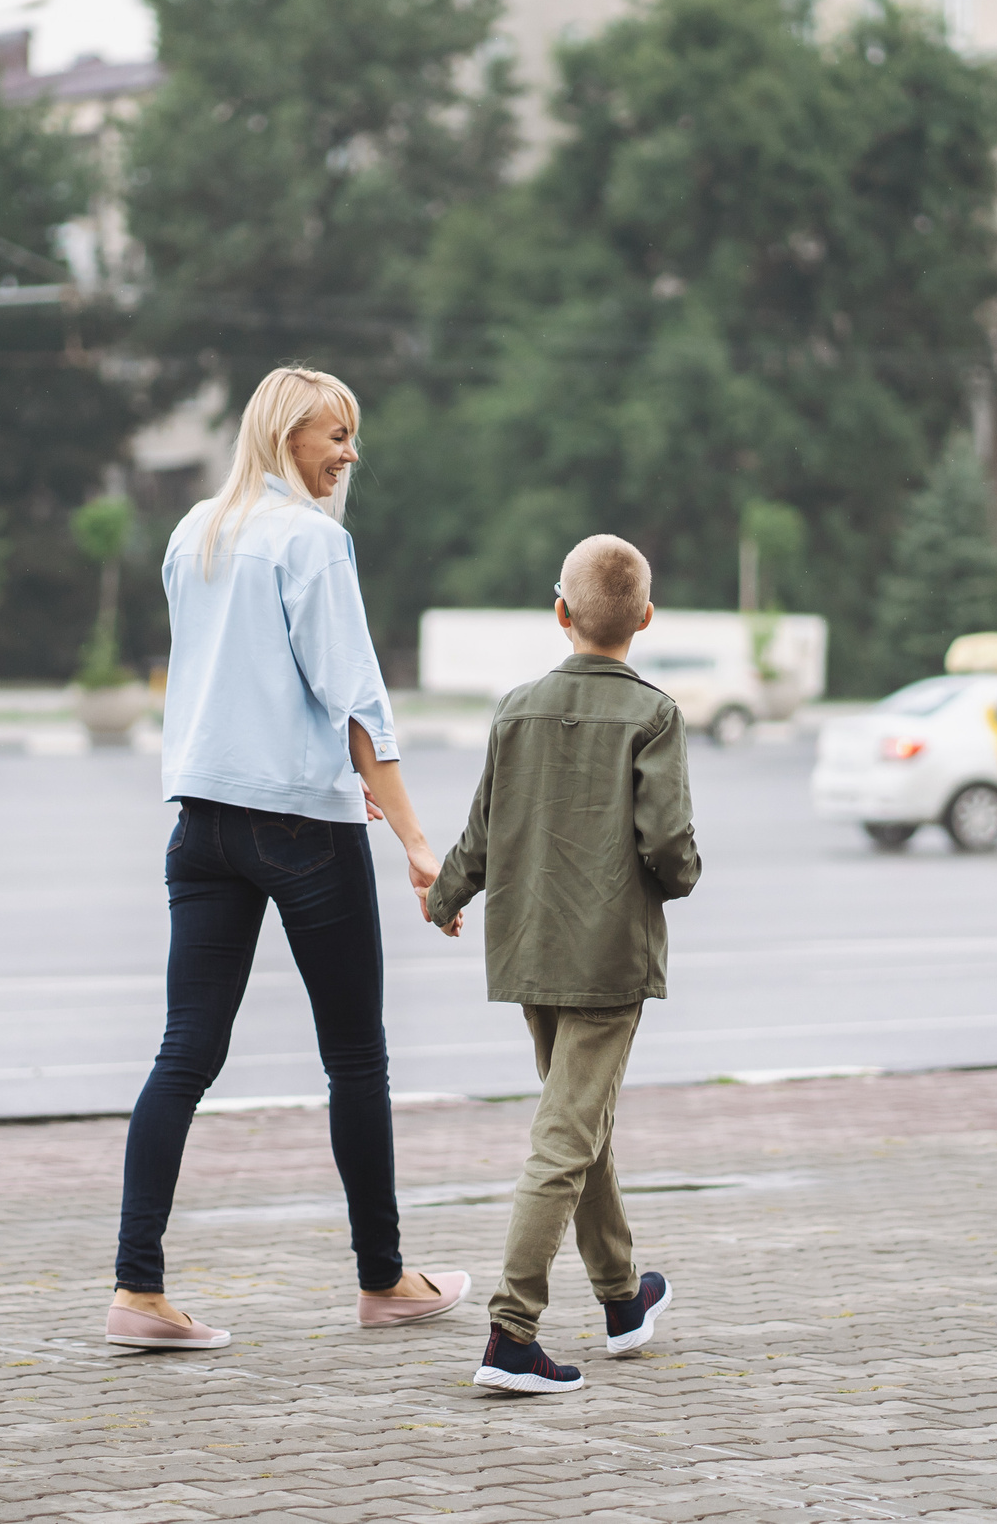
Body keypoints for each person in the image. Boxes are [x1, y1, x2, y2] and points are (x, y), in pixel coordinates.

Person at [105, 364, 469, 1352]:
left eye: (352, 435)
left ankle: (136, 1291)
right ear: (282, 436)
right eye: (334, 434)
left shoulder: (195, 532)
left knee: (185, 1051)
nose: (349, 453)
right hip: (302, 826)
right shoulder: (312, 543)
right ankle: (384, 1278)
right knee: (354, 1056)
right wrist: (415, 838)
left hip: (201, 826)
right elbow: (357, 703)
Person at [424, 534, 701, 1395]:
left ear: (561, 611)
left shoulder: (515, 707)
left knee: (583, 1124)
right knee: (566, 1134)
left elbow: (482, 826)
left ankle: (623, 1298)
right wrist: (681, 874)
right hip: (608, 956)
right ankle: (512, 1332)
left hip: (530, 948)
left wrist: (447, 895)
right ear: (645, 618)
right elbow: (667, 845)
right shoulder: (653, 714)